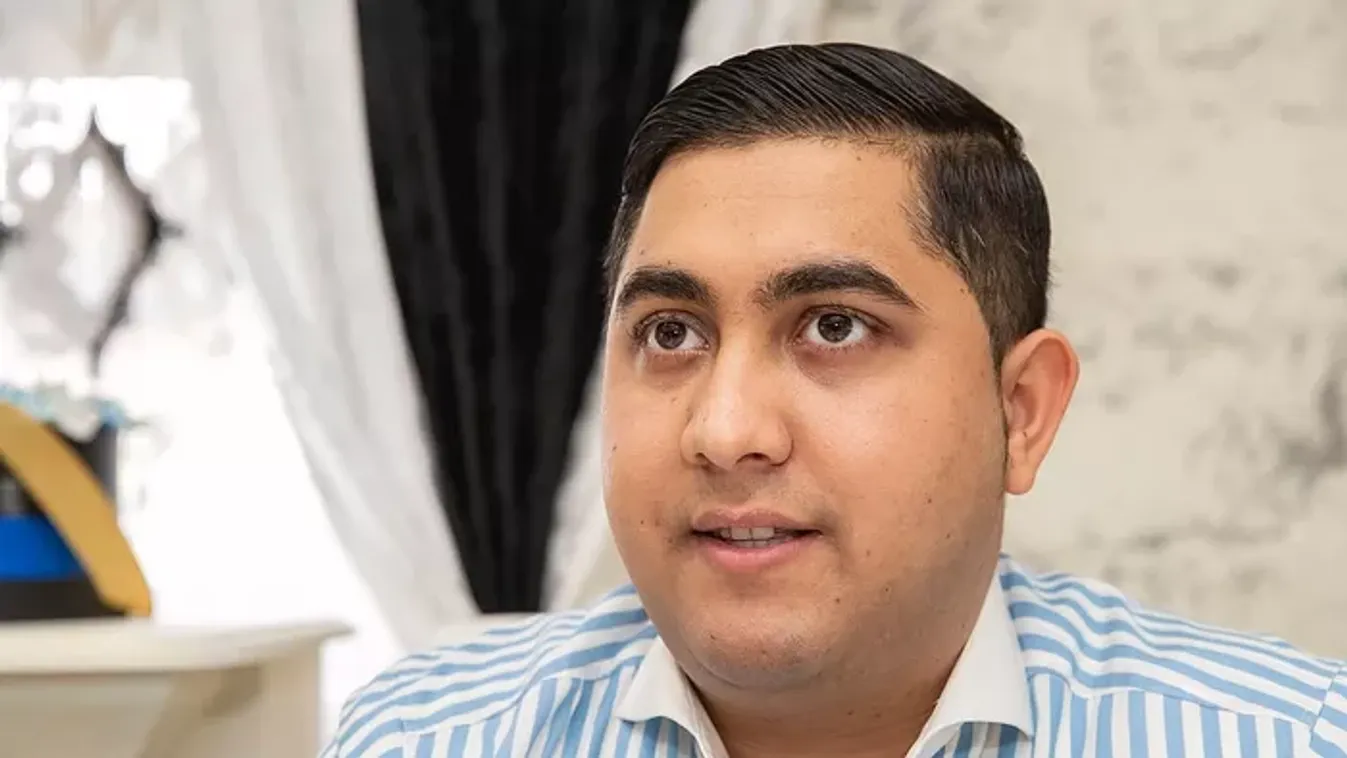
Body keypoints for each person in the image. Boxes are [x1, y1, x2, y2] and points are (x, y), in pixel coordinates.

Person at [323, 43, 1347, 758]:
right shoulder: (421, 737)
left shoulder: (1286, 738)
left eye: (835, 327)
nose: (726, 430)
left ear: (1021, 412)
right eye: (671, 333)